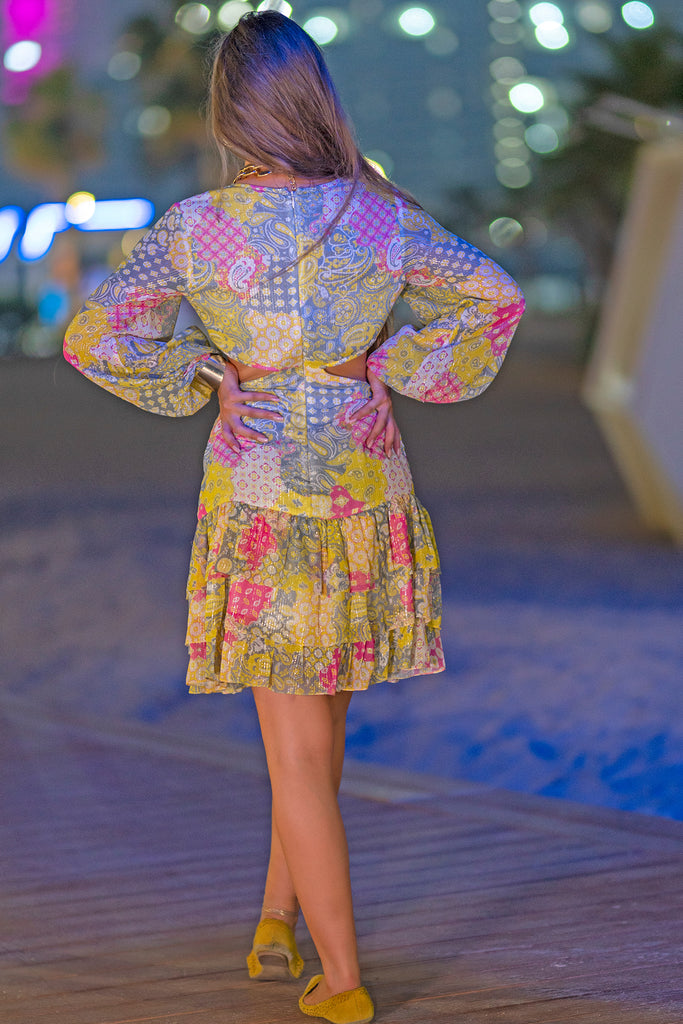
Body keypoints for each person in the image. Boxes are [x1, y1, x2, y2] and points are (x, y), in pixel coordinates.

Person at [63, 11, 524, 1023]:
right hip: (363, 492)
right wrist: (393, 364)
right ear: (315, 98)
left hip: (263, 495)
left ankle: (343, 982)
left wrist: (201, 372)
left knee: (295, 750)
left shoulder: (194, 228)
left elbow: (93, 337)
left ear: (228, 108)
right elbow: (492, 297)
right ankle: (276, 917)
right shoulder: (380, 214)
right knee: (319, 737)